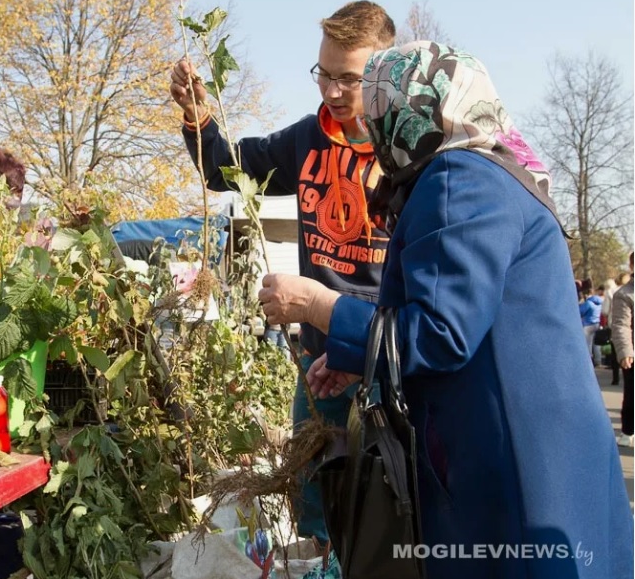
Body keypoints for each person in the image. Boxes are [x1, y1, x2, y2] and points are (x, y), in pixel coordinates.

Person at [263, 42, 632, 578]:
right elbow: (464, 317)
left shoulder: (460, 178)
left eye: (377, 112)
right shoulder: (492, 170)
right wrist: (362, 357)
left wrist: (317, 305)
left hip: (514, 461)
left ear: (408, 111)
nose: (370, 130)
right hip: (537, 447)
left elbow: (440, 332)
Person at [170, 0, 395, 545]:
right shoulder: (306, 139)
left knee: (385, 511)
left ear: (385, 75)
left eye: (348, 79)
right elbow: (226, 169)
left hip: (384, 366)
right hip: (318, 367)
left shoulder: (403, 153)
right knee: (314, 503)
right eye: (324, 74)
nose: (332, 91)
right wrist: (199, 116)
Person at [611, 252, 633, 447]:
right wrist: (625, 350)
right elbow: (620, 325)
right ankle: (628, 431)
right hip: (632, 353)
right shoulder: (624, 294)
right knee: (632, 393)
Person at [579, 280, 603, 367]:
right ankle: (598, 360)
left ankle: (588, 360)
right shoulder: (599, 303)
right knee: (596, 344)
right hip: (597, 323)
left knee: (588, 343)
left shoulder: (588, 303)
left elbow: (580, 312)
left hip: (587, 324)